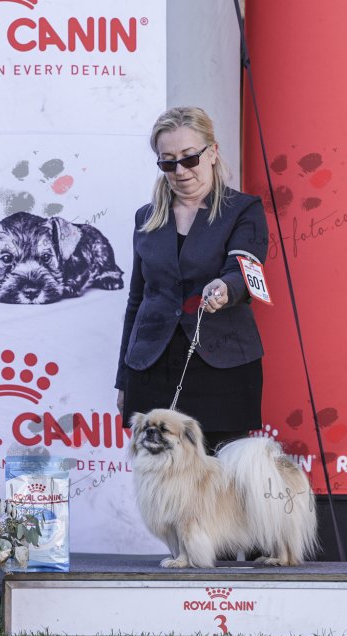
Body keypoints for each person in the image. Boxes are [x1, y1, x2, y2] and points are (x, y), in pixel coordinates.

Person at [115, 106, 269, 454]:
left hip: (222, 367)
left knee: (221, 477)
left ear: (212, 152)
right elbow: (137, 301)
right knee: (159, 479)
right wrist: (124, 378)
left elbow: (244, 270)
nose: (180, 171)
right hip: (151, 368)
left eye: (189, 158)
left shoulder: (243, 210)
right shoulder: (146, 218)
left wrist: (225, 289)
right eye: (168, 162)